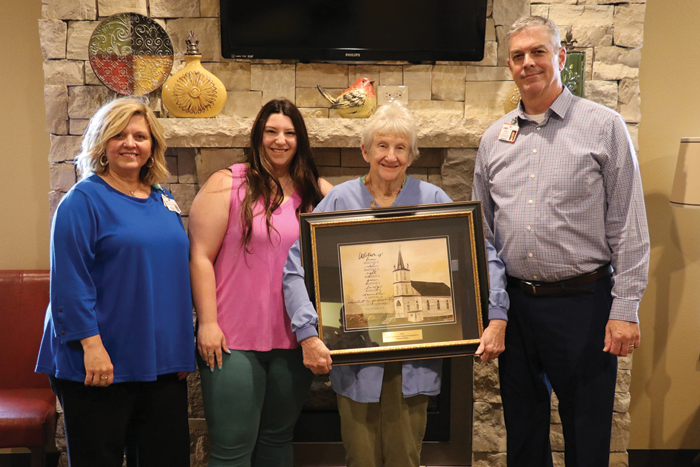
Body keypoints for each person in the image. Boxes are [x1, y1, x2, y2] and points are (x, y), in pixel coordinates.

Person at [283, 102, 509, 467]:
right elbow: (296, 269)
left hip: (415, 360)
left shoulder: (434, 200)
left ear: (411, 155)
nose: (391, 156)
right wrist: (307, 333)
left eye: (401, 147)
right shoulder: (339, 201)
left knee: (406, 455)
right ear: (365, 151)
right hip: (354, 357)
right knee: (361, 457)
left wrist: (496, 317)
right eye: (382, 146)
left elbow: (484, 257)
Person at [472, 16, 650, 467]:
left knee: (586, 431)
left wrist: (625, 310)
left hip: (583, 304)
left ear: (560, 57)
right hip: (516, 304)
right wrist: (495, 309)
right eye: (518, 56)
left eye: (538, 52)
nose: (527, 63)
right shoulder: (494, 140)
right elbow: (484, 236)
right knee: (524, 433)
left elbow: (629, 224)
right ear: (509, 66)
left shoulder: (603, 126)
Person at [35, 98, 196, 467]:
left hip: (160, 362)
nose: (130, 143)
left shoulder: (163, 200)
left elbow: (172, 279)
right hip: (98, 359)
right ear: (102, 142)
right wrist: (92, 347)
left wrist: (179, 349)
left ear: (152, 145)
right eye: (119, 134)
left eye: (140, 136)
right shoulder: (81, 201)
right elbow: (69, 282)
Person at [189, 98, 333, 467]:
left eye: (289, 132)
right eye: (271, 131)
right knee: (231, 449)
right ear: (258, 136)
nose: (280, 140)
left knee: (277, 441)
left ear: (300, 139)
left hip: (294, 338)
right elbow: (201, 257)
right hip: (231, 339)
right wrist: (207, 323)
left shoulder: (318, 192)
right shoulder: (227, 183)